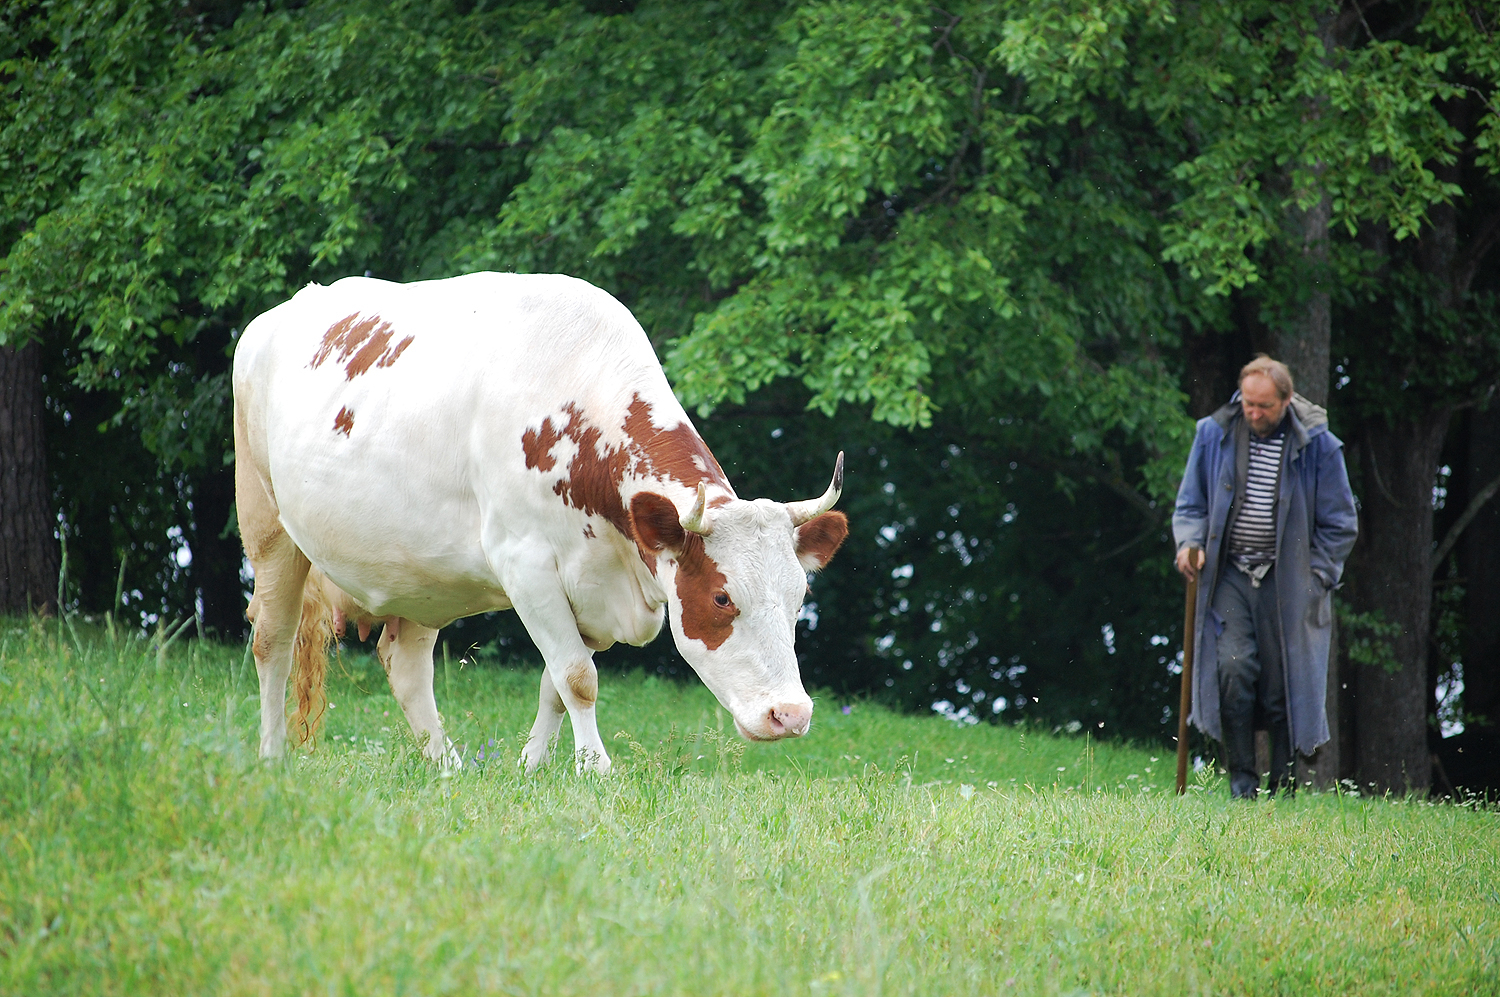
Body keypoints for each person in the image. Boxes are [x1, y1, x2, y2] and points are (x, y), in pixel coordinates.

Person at [1172, 356, 1358, 799]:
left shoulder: (1319, 445)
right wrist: (1187, 543)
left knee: (1281, 685)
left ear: (1286, 400)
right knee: (1233, 670)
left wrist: (1318, 576)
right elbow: (1190, 506)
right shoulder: (1212, 433)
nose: (1255, 414)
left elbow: (1340, 523)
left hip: (1289, 580)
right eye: (1249, 404)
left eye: (1265, 407)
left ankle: (1284, 787)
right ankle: (1242, 785)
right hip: (1230, 574)